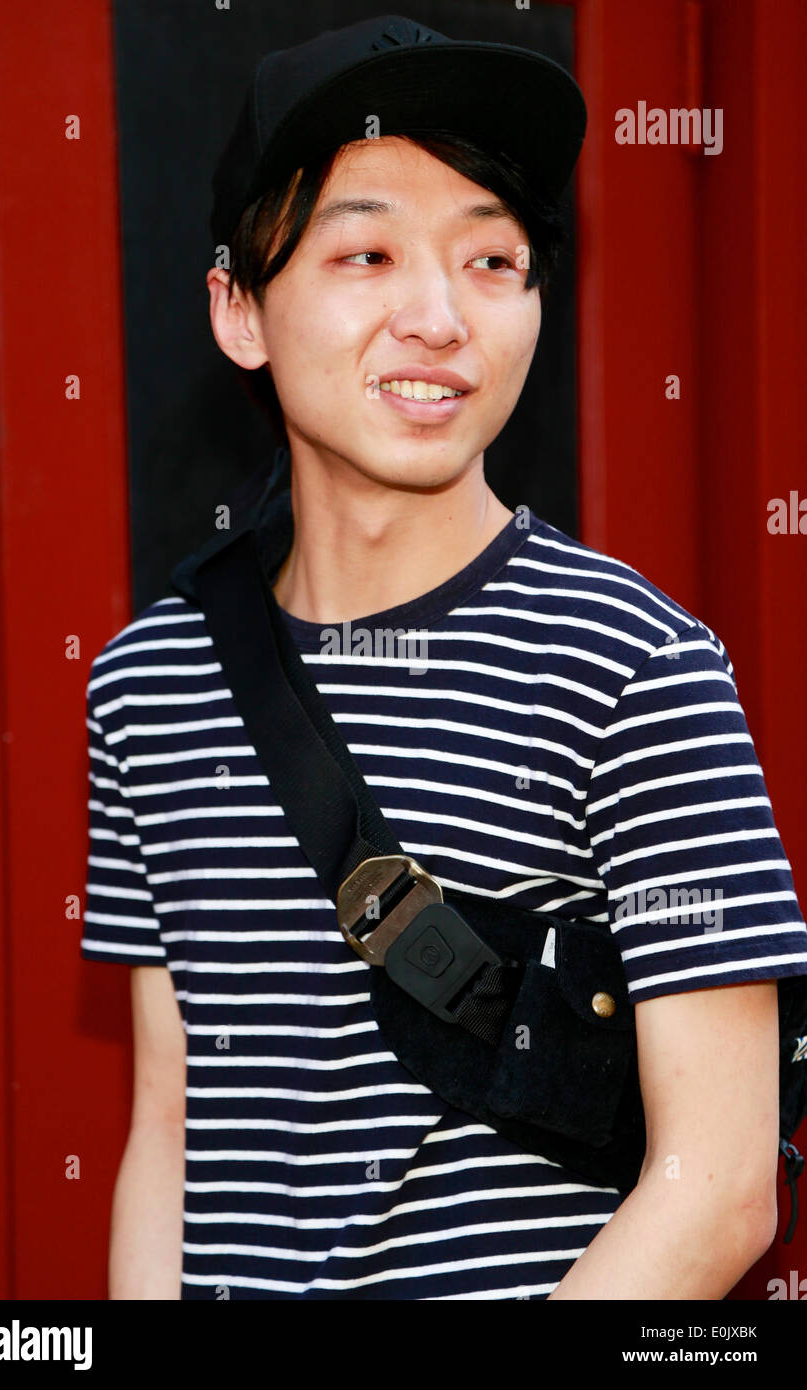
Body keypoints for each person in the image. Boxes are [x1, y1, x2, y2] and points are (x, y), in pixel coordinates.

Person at [81, 15, 807, 1300]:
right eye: (365, 251)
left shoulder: (637, 665)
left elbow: (722, 1180)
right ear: (238, 308)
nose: (436, 316)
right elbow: (174, 1129)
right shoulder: (151, 680)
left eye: (492, 259)